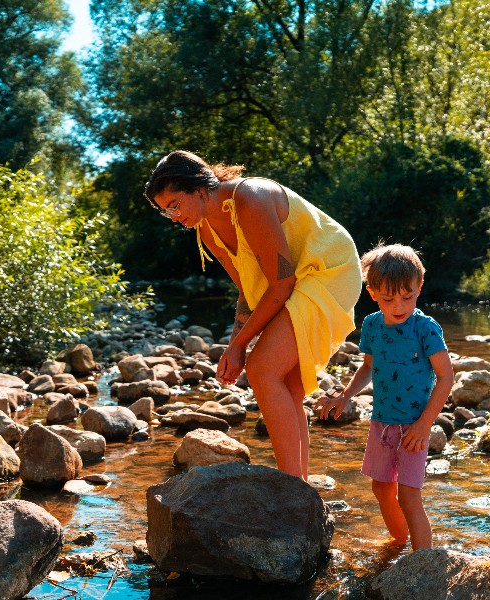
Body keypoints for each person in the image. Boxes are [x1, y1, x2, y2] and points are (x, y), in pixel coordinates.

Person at [144, 150, 362, 480]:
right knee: (286, 383)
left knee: (261, 369)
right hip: (297, 280)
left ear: (198, 186)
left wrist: (240, 347)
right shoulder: (207, 231)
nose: (173, 216)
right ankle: (300, 485)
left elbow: (282, 281)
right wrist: (236, 342)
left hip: (328, 270)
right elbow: (248, 291)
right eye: (165, 212)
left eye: (174, 204)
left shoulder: (250, 197)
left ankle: (293, 491)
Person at [315, 243, 454, 549]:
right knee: (380, 487)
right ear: (373, 292)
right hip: (381, 423)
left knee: (409, 495)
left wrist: (424, 425)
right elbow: (368, 366)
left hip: (414, 427)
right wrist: (345, 395)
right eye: (389, 299)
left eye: (408, 296)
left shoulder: (425, 329)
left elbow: (446, 376)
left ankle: (422, 564)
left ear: (420, 286)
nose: (399, 306)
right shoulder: (372, 325)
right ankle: (397, 541)